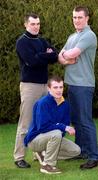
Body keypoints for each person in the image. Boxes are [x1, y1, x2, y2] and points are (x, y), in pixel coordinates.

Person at [14, 13, 58, 168]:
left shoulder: (41, 40)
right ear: (26, 24)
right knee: (25, 122)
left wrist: (44, 55)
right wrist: (44, 55)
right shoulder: (22, 42)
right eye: (33, 24)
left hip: (44, 85)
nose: (36, 26)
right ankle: (19, 157)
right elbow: (31, 62)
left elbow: (54, 56)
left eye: (38, 23)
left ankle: (37, 152)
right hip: (29, 86)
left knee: (42, 121)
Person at [58, 6, 98, 170]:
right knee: (76, 120)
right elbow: (61, 57)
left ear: (87, 18)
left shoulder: (89, 35)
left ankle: (94, 157)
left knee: (85, 121)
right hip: (73, 83)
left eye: (80, 17)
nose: (76, 20)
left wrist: (66, 56)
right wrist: (66, 58)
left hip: (84, 84)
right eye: (74, 17)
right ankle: (82, 151)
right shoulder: (72, 36)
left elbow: (69, 54)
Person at [24, 76, 81, 174]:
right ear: (48, 88)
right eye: (55, 87)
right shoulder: (42, 103)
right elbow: (42, 127)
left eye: (61, 87)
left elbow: (64, 126)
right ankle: (47, 165)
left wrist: (63, 128)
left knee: (76, 151)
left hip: (53, 136)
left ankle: (44, 154)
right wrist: (63, 127)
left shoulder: (65, 104)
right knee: (57, 133)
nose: (59, 90)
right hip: (35, 139)